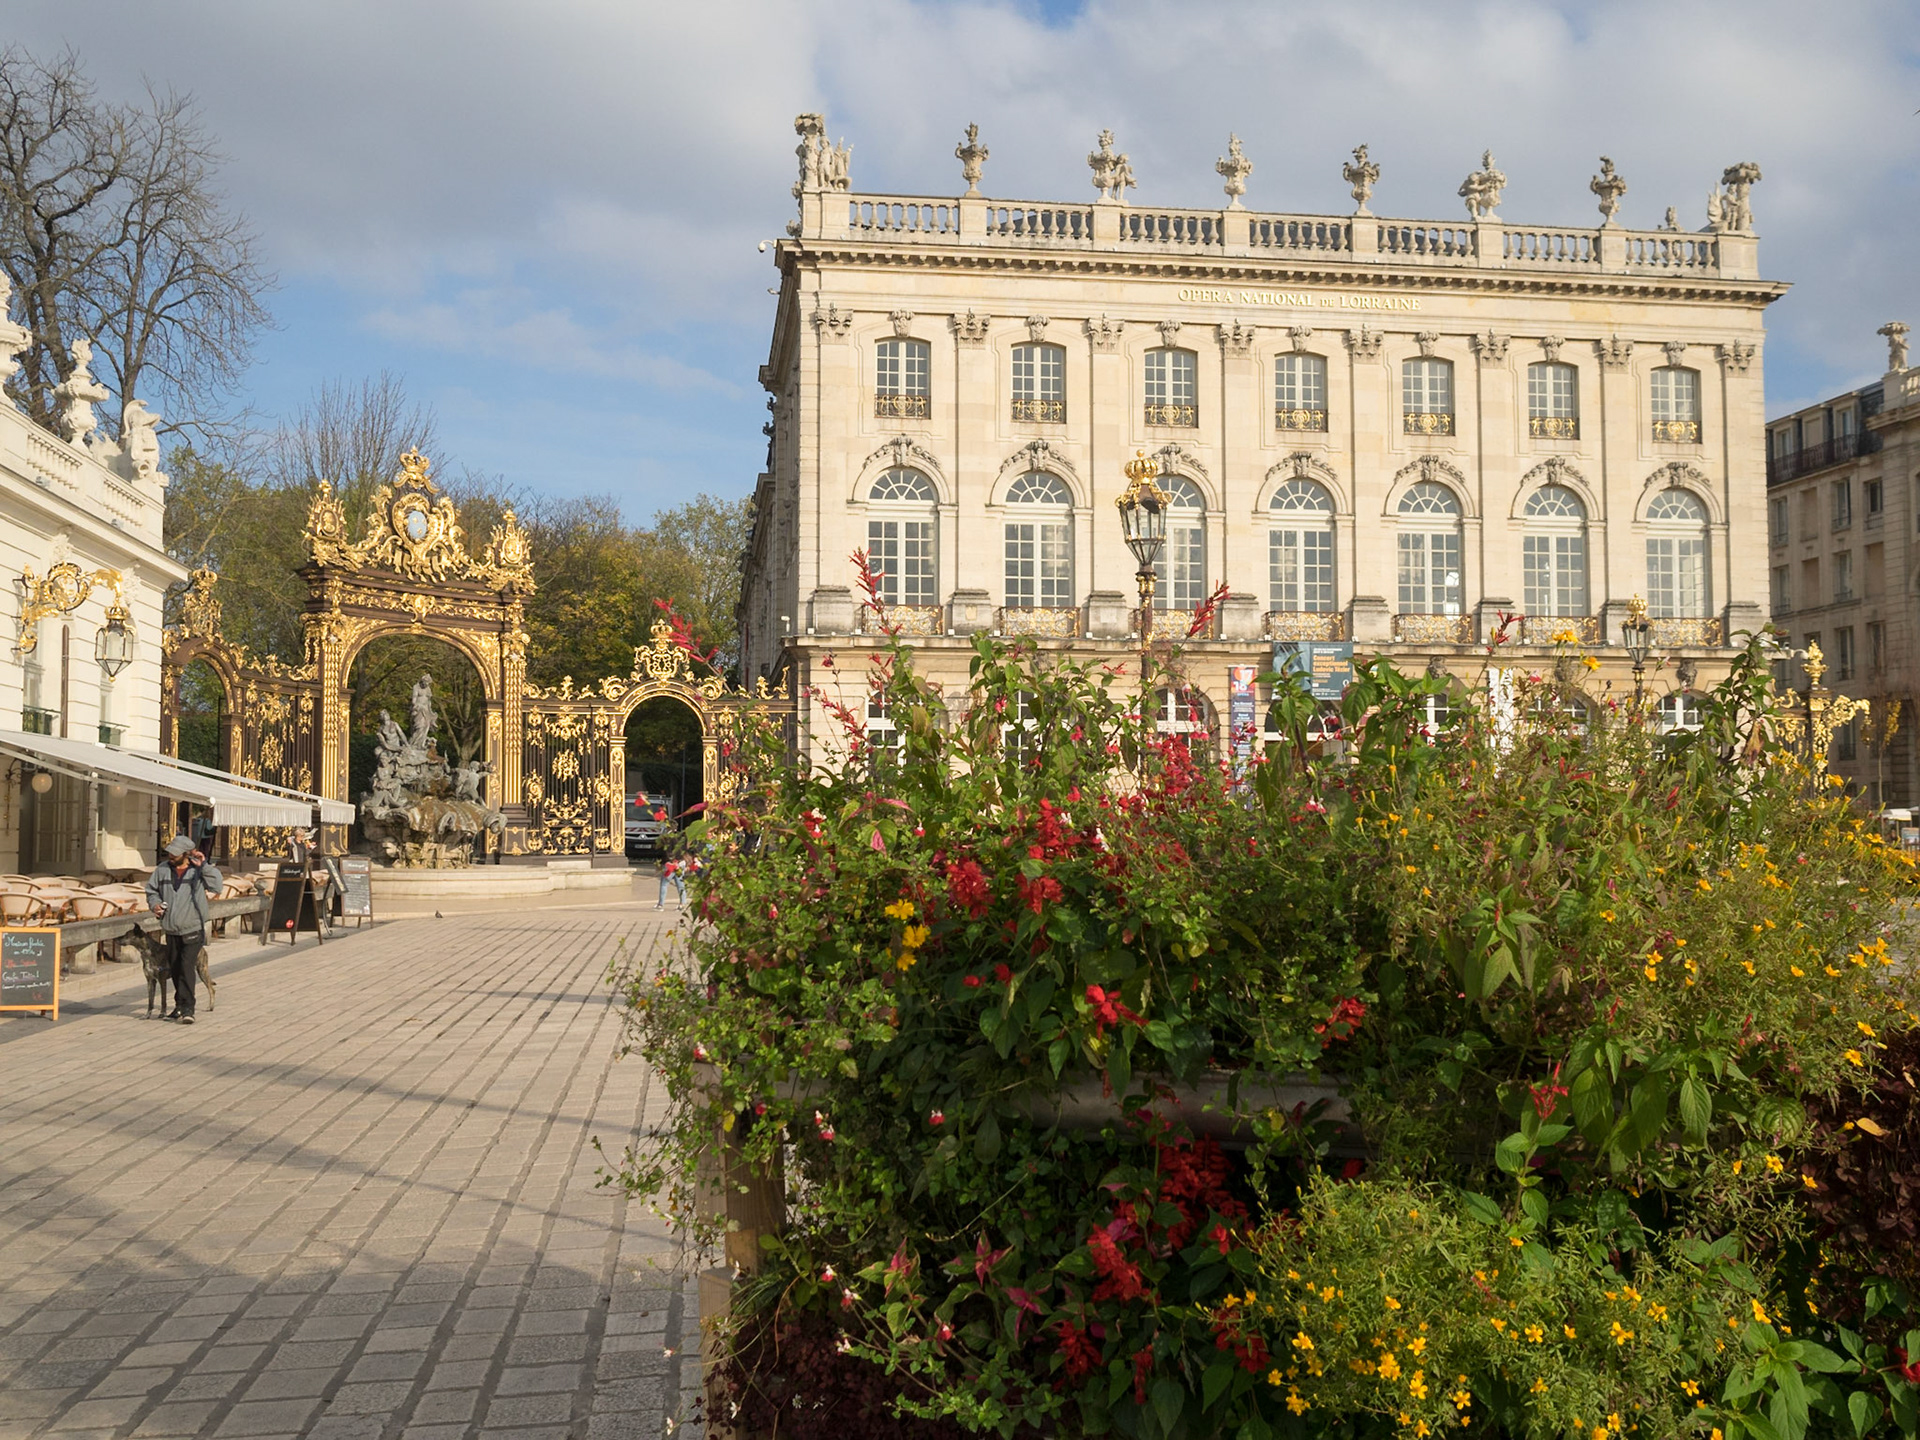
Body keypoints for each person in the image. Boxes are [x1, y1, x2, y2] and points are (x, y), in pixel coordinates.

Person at [144, 836, 224, 1024]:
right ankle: (179, 1006)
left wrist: (204, 866)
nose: (171, 856)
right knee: (176, 967)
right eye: (170, 852)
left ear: (186, 854)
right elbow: (151, 891)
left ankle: (188, 1008)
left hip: (193, 927)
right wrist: (154, 905)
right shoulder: (162, 869)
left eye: (175, 853)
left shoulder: (197, 870)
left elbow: (217, 885)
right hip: (171, 928)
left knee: (187, 966)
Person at [656, 835, 687, 910]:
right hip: (680, 863)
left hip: (671, 864)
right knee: (680, 885)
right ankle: (682, 903)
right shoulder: (681, 838)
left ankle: (661, 904)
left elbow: (667, 852)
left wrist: (670, 861)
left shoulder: (667, 839)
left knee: (664, 884)